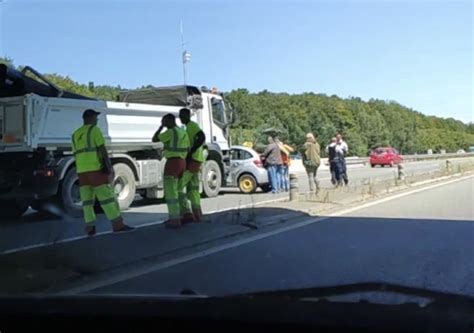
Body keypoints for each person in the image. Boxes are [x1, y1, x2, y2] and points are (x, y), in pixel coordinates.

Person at [72, 109, 134, 236]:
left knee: (87, 201)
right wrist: (108, 167)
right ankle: (118, 225)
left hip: (82, 172)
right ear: (89, 118)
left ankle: (90, 227)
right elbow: (102, 149)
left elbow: (76, 153)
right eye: (95, 117)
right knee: (107, 198)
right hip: (95, 169)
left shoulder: (75, 134)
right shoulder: (94, 130)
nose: (97, 120)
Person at [152, 113, 190, 229]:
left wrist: (160, 128)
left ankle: (174, 219)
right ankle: (187, 213)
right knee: (179, 190)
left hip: (172, 163)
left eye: (163, 121)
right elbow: (188, 147)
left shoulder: (170, 132)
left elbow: (154, 139)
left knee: (171, 192)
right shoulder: (183, 131)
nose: (162, 123)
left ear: (169, 121)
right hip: (182, 162)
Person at [178, 108, 206, 224]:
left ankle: (186, 213)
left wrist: (191, 151)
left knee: (178, 188)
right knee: (193, 189)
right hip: (196, 160)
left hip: (193, 160)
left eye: (182, 116)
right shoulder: (187, 127)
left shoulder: (191, 126)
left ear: (187, 116)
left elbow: (202, 137)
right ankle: (197, 215)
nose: (180, 118)